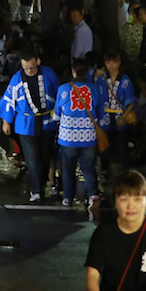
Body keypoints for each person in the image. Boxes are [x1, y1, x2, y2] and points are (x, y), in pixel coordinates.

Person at [0, 49, 60, 201]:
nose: (29, 70)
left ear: (38, 61)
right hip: (25, 123)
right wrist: (6, 121)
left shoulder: (49, 74)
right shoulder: (17, 78)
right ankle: (36, 190)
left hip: (47, 121)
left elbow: (59, 95)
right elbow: (9, 99)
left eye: (32, 67)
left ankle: (42, 185)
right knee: (32, 158)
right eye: (26, 68)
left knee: (45, 157)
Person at [54, 59, 102, 217]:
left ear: (73, 70)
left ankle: (67, 198)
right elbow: (100, 114)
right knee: (88, 167)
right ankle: (93, 194)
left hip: (68, 136)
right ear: (87, 71)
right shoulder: (95, 89)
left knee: (68, 168)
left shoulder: (63, 89)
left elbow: (57, 115)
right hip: (89, 135)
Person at [95, 51, 138, 173]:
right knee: (104, 147)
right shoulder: (101, 79)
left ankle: (126, 172)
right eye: (108, 62)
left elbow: (131, 102)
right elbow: (96, 98)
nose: (111, 65)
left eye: (114, 62)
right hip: (104, 117)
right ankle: (104, 171)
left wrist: (124, 118)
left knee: (122, 146)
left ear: (119, 63)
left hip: (121, 117)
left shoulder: (125, 80)